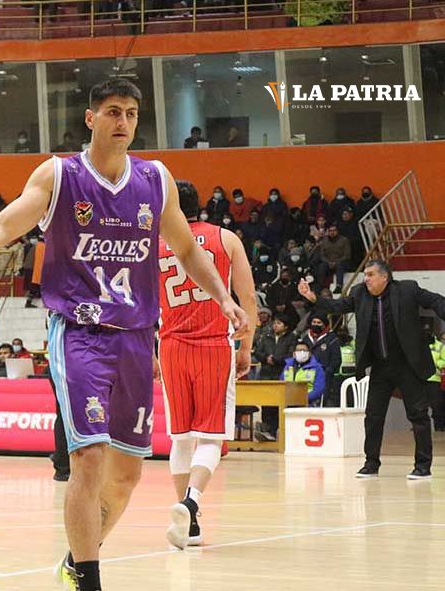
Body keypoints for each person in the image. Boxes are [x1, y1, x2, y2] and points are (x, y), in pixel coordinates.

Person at [0, 78, 247, 590]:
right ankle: (89, 580)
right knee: (87, 457)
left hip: (136, 337)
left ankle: (75, 562)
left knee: (126, 476)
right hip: (79, 332)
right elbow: (6, 228)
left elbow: (186, 249)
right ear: (90, 118)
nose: (123, 122)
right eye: (113, 112)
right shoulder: (59, 175)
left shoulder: (155, 179)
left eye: (132, 113)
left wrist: (224, 298)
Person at [156, 180, 257, 549]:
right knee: (211, 437)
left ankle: (189, 525)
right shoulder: (226, 238)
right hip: (214, 344)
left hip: (171, 346)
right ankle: (191, 502)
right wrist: (246, 346)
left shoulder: (154, 245)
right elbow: (247, 297)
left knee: (181, 439)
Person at [298, 260, 445, 479]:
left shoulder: (408, 290)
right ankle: (371, 463)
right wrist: (313, 297)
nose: (366, 279)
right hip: (380, 366)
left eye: (371, 274)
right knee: (373, 417)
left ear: (385, 277)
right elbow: (337, 307)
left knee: (418, 415)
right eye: (365, 274)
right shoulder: (359, 293)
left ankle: (423, 466)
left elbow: (439, 301)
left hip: (407, 364)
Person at [300, 312, 341, 406]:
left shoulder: (332, 339)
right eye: (314, 322)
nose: (315, 324)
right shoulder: (305, 339)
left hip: (325, 378)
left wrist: (328, 371)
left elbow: (336, 359)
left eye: (319, 323)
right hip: (306, 377)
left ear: (324, 324)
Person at [422, 323, 445, 431]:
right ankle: (422, 428)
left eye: (428, 332)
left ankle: (439, 428)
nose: (426, 334)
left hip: (434, 379)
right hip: (421, 380)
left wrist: (437, 364)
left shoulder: (440, 346)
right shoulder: (419, 344)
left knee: (437, 407)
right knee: (420, 407)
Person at [282, 341, 327, 407]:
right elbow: (281, 385)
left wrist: (301, 398)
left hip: (308, 404)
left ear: (309, 353)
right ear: (294, 354)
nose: (302, 352)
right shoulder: (287, 367)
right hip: (287, 404)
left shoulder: (317, 368)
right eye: (299, 350)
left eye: (304, 350)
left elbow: (319, 390)